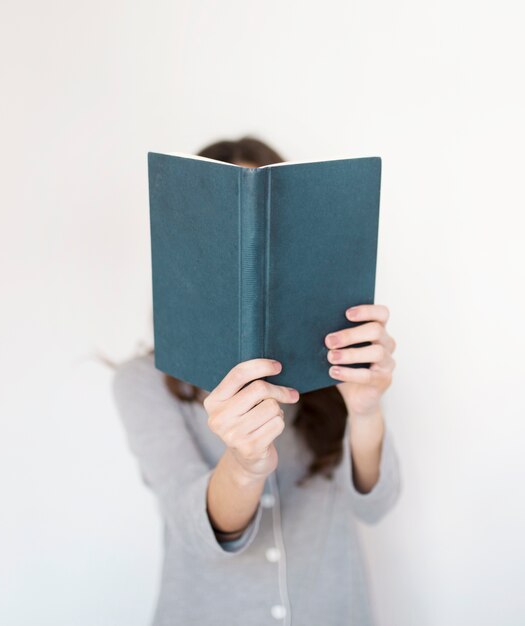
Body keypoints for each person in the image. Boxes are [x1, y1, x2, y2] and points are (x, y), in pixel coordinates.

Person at [112, 135, 401, 626]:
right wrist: (245, 465)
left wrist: (367, 409)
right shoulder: (142, 382)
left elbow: (376, 506)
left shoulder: (333, 361)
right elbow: (195, 528)